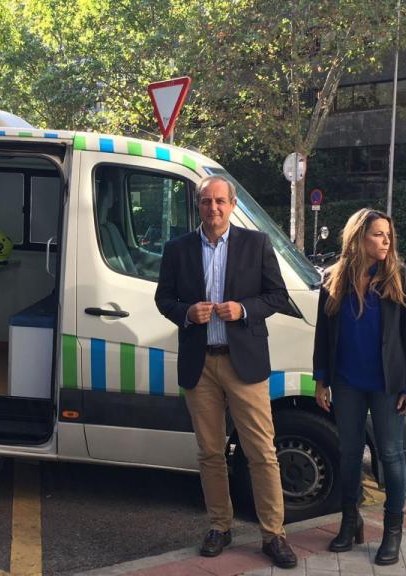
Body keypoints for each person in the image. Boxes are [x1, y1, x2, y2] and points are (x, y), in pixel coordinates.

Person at [154, 175, 297, 569]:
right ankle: (220, 525)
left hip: (244, 364)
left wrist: (243, 310)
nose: (212, 208)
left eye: (219, 201)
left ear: (232, 205)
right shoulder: (178, 249)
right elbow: (163, 298)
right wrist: (185, 312)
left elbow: (277, 297)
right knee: (211, 453)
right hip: (200, 364)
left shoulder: (256, 245)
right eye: (205, 202)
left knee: (262, 453)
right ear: (197, 206)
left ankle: (273, 534)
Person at [312, 208, 406, 567]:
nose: (386, 241)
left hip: (387, 384)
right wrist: (321, 379)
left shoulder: (399, 276)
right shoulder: (333, 277)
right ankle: (350, 521)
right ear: (359, 237)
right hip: (346, 382)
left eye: (388, 234)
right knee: (348, 453)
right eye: (378, 234)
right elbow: (323, 335)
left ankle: (393, 531)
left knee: (390, 455)